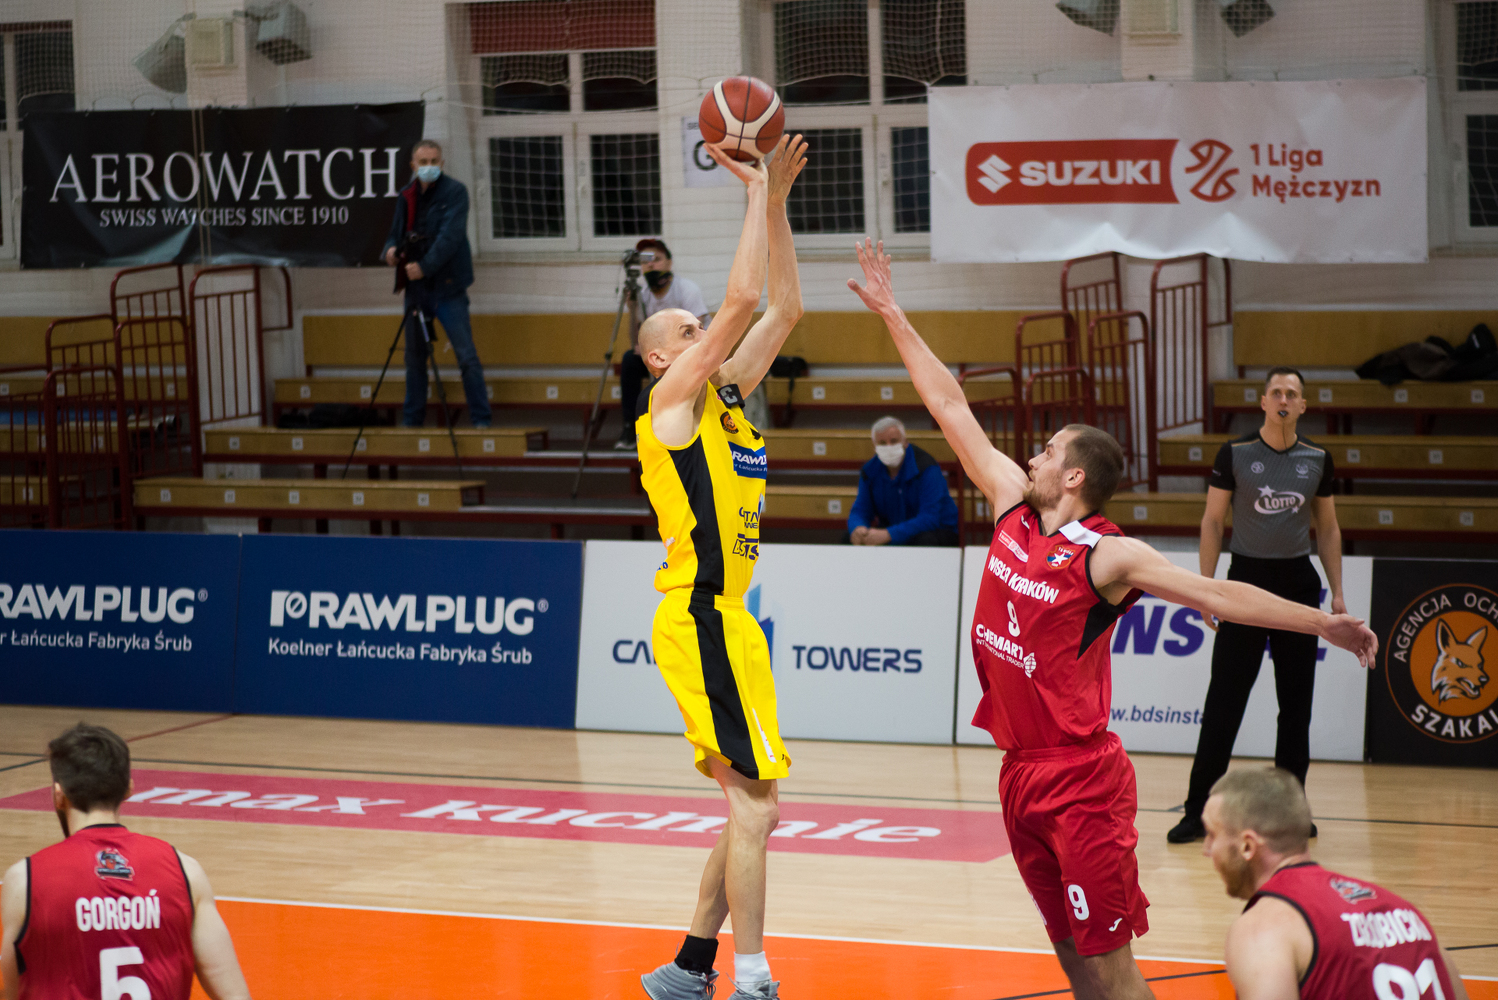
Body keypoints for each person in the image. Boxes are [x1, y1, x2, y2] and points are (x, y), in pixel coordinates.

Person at [846, 238, 1375, 1000]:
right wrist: (894, 315)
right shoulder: (1011, 506)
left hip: (1081, 782)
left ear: (1074, 475)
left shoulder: (1108, 556)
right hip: (1018, 771)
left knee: (1110, 964)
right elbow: (949, 407)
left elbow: (1219, 595)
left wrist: (1322, 622)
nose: (1031, 457)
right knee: (1068, 954)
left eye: (1047, 450)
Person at [634, 133, 806, 1000]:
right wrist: (750, 193)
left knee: (752, 808)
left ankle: (689, 968)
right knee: (757, 808)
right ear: (662, 358)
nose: (705, 334)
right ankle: (752, 978)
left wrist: (776, 207)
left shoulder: (727, 399)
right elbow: (741, 298)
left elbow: (784, 308)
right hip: (697, 613)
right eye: (688, 331)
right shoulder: (668, 403)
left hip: (732, 620)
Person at [1167, 366, 1345, 844]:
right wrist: (1205, 588)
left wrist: (1337, 592)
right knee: (1223, 704)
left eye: (1292, 394)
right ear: (1263, 402)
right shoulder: (1236, 453)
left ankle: (1291, 814)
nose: (1284, 399)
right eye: (1276, 392)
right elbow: (1212, 521)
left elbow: (1328, 528)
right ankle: (1197, 812)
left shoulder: (1318, 459)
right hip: (1245, 583)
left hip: (1298, 587)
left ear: (1303, 406)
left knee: (1296, 709)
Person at [0, 723, 252, 1000]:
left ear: (59, 795)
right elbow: (235, 996)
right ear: (129, 789)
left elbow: (12, 990)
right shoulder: (186, 872)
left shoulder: (24, 880)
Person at [1203, 768, 1469, 1000]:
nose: (1206, 849)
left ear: (1247, 846)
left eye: (1212, 834)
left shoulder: (1264, 928)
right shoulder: (1408, 915)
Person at [382, 139, 491, 429]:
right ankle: (412, 422)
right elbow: (395, 234)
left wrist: (425, 266)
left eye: (434, 162)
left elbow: (450, 238)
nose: (429, 167)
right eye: (423, 162)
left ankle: (481, 420)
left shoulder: (456, 192)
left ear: (442, 164)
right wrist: (390, 251)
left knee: (466, 356)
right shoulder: (406, 195)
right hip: (415, 290)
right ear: (413, 165)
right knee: (414, 358)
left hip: (448, 287)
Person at [618, 239, 713, 449]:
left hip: (691, 351)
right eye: (645, 261)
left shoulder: (686, 289)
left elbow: (697, 334)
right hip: (661, 355)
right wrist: (632, 308)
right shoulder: (642, 296)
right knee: (629, 360)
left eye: (657, 259)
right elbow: (636, 342)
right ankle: (630, 428)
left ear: (669, 262)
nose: (651, 264)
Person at [846, 415, 959, 546]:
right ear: (875, 447)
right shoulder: (869, 471)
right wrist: (858, 528)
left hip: (936, 531)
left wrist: (889, 534)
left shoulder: (926, 468)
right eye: (882, 443)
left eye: (894, 441)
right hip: (892, 530)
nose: (888, 447)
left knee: (925, 540)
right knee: (849, 538)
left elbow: (930, 518)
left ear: (905, 442)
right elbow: (860, 509)